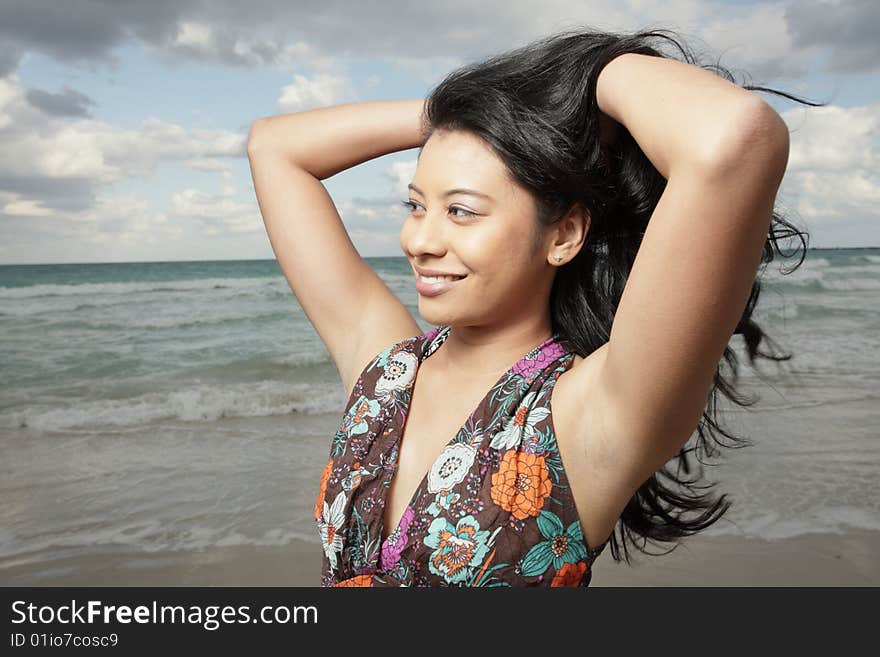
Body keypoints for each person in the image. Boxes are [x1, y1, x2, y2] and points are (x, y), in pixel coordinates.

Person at [246, 28, 816, 587]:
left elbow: (736, 137)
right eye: (416, 206)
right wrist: (492, 113)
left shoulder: (589, 415)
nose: (419, 240)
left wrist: (583, 79)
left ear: (564, 234)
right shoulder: (385, 372)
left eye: (462, 211)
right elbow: (275, 148)